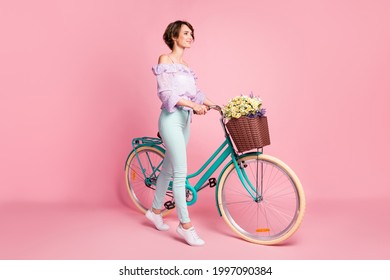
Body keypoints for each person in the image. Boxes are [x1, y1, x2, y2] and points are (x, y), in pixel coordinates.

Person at [145, 20, 216, 246]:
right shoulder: (165, 60)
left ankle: (155, 211)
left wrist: (216, 105)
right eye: (186, 33)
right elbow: (167, 95)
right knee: (180, 173)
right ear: (174, 36)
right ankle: (185, 226)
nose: (190, 36)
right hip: (171, 120)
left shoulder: (186, 65)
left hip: (185, 121)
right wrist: (193, 105)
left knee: (168, 168)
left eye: (192, 33)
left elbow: (196, 95)